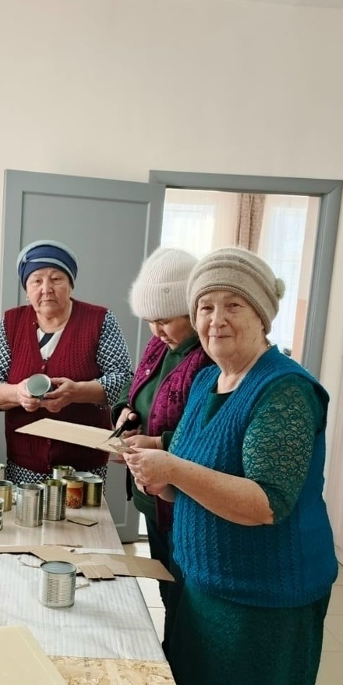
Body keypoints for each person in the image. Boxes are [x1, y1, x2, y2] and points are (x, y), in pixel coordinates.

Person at [125, 247, 337, 685]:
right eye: (205, 307)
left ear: (262, 315)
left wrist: (173, 469)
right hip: (204, 589)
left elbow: (265, 503)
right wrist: (161, 478)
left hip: (262, 604)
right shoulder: (206, 380)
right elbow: (191, 481)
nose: (215, 319)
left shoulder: (284, 390)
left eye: (233, 305)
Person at [0, 240, 132, 483]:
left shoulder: (100, 320)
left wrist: (76, 392)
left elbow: (124, 380)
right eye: (36, 280)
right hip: (24, 464)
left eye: (56, 279)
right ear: (26, 289)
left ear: (70, 284)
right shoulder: (11, 323)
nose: (46, 289)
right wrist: (18, 393)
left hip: (83, 469)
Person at [110, 247, 210, 613]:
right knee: (167, 585)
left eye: (165, 320)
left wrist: (156, 442)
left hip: (183, 497)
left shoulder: (208, 357)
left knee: (186, 592)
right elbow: (135, 385)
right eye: (150, 320)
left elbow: (205, 432)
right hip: (151, 494)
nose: (156, 330)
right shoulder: (160, 344)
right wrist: (124, 412)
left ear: (192, 312)